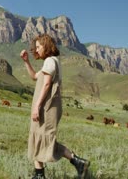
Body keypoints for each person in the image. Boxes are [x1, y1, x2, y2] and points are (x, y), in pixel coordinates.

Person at [20, 34, 90, 179]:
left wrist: (36, 107)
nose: (36, 50)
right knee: (41, 138)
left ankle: (42, 174)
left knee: (44, 139)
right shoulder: (49, 62)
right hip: (46, 108)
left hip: (46, 108)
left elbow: (46, 84)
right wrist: (26, 62)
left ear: (46, 46)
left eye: (39, 47)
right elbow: (34, 77)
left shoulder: (50, 61)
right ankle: (76, 163)